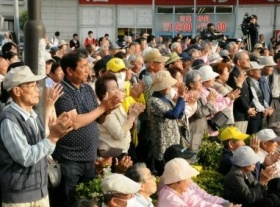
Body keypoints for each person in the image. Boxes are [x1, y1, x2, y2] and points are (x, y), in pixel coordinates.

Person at [53, 49, 122, 207]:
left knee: (89, 200)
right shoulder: (62, 91)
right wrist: (102, 108)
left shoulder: (87, 89)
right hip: (70, 160)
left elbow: (98, 118)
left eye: (87, 65)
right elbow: (74, 122)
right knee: (69, 202)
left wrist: (108, 109)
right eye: (83, 66)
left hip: (89, 159)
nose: (87, 70)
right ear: (69, 71)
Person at [0, 65, 73, 206]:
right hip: (19, 197)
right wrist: (52, 137)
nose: (37, 90)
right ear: (17, 91)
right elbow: (26, 157)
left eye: (36, 85)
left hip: (40, 191)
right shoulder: (9, 120)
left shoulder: (33, 115)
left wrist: (55, 135)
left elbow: (47, 150)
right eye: (32, 86)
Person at [157, 158, 240, 207]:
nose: (190, 181)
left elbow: (202, 200)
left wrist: (225, 204)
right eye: (188, 177)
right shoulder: (170, 200)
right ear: (178, 181)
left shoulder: (183, 189)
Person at [95, 73, 145, 153]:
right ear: (103, 94)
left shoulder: (118, 106)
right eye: (113, 89)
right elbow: (119, 134)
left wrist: (131, 115)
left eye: (117, 87)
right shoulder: (106, 112)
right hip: (111, 154)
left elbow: (126, 128)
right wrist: (132, 117)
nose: (118, 91)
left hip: (121, 151)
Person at [148, 70, 185, 175]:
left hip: (173, 140)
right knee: (165, 172)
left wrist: (182, 99)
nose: (170, 87)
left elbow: (180, 114)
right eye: (168, 85)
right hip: (163, 143)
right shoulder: (154, 101)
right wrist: (181, 98)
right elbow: (173, 115)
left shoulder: (166, 99)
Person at [227, 51, 256, 133]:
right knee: (238, 141)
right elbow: (237, 94)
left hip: (244, 114)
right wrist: (247, 109)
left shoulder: (242, 73)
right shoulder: (234, 74)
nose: (249, 61)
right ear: (239, 62)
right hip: (238, 114)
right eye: (246, 59)